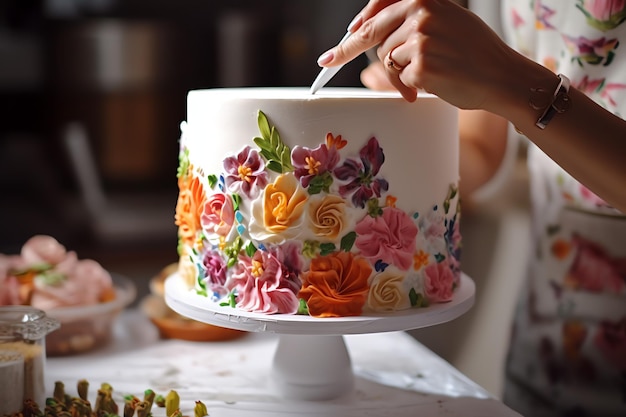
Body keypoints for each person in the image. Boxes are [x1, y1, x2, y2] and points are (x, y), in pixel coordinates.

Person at [316, 1, 626, 416]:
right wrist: (408, 120)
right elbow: (477, 152)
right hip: (547, 351)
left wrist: (510, 80)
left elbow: (503, 85)